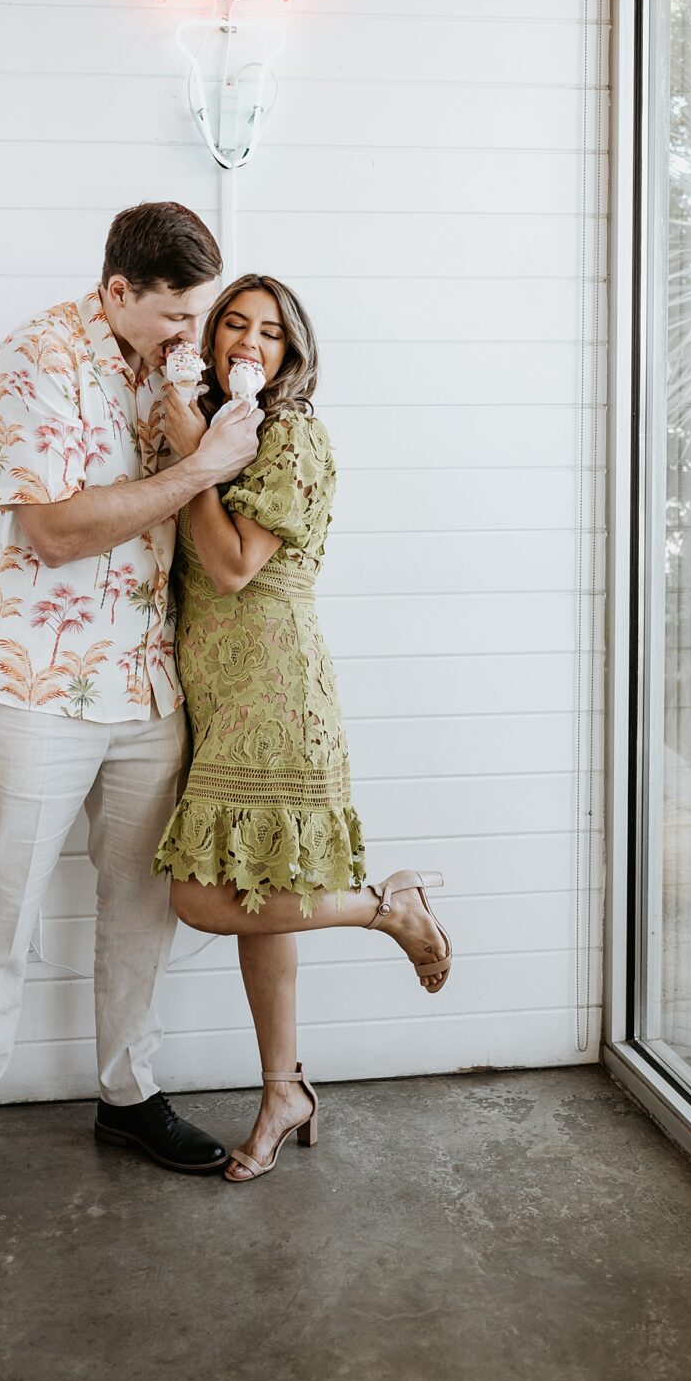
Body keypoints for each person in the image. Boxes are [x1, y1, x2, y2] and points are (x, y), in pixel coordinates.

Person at [0, 203, 262, 1239]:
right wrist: (197, 470)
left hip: (147, 683)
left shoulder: (171, 370)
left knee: (140, 912)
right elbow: (56, 531)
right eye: (174, 315)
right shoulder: (33, 355)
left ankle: (127, 1096)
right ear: (117, 290)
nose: (188, 335)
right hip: (37, 686)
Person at [154, 274, 452, 1183]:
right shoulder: (220, 427)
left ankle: (384, 908)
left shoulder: (290, 434)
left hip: (277, 690)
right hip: (214, 690)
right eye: (232, 325)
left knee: (201, 898)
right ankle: (284, 1091)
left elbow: (236, 566)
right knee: (257, 895)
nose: (248, 341)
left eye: (269, 332)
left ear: (293, 352)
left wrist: (192, 458)